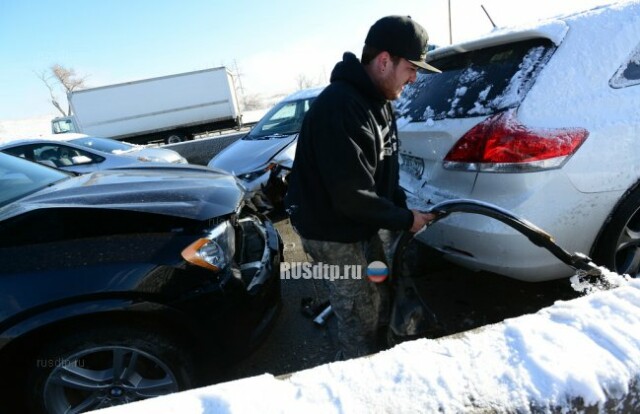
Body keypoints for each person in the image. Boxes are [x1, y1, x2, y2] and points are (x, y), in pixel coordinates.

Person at [285, 15, 440, 360]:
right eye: (411, 68)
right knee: (359, 315)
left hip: (358, 221)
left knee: (380, 289)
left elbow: (387, 168)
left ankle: (380, 355)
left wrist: (402, 213)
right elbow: (350, 196)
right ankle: (357, 377)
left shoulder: (380, 104)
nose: (414, 78)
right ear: (385, 61)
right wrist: (404, 219)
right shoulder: (340, 107)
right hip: (331, 232)